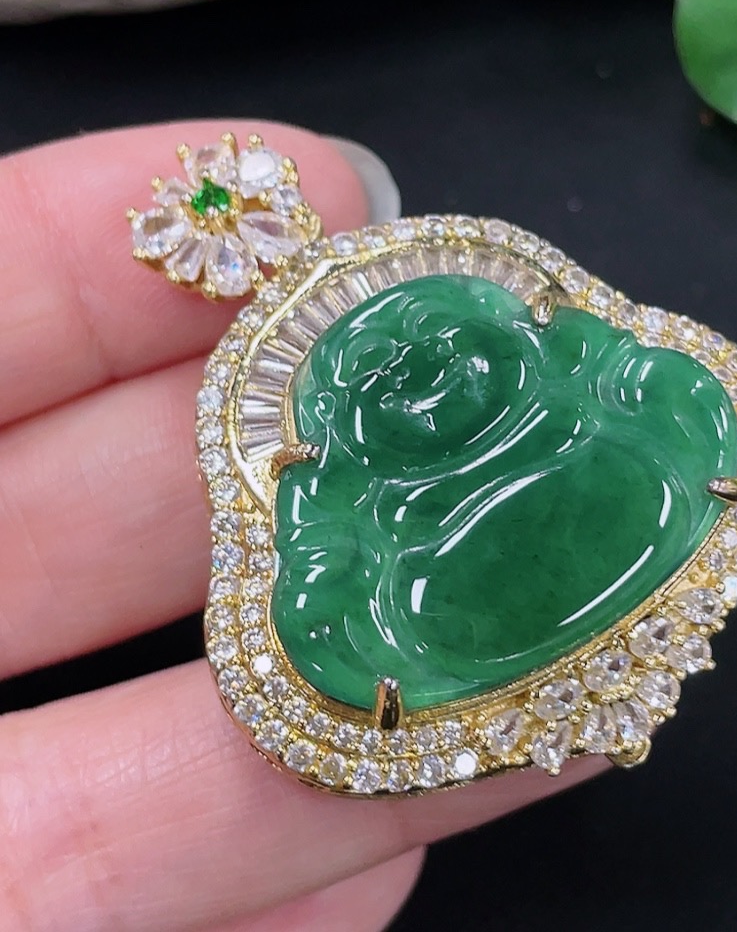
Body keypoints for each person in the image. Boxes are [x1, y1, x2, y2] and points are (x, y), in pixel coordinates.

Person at [0, 120, 604, 932]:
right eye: (375, 381)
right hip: (449, 600)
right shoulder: (347, 500)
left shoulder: (585, 390)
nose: (417, 370)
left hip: (604, 500)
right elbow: (320, 586)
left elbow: (659, 387)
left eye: (439, 337)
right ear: (327, 431)